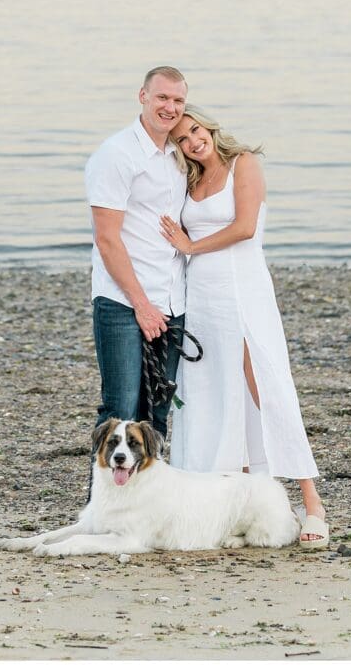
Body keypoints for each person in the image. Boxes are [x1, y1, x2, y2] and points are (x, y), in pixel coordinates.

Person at [159, 105, 329, 550]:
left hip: (243, 294)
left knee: (265, 387)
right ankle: (238, 503)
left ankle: (313, 503)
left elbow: (245, 227)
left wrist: (191, 245)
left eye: (194, 130)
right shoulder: (189, 182)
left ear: (208, 127)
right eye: (182, 140)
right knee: (214, 391)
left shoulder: (244, 164)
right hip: (203, 301)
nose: (193, 141)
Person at [84, 66, 188, 440]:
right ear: (142, 96)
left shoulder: (179, 154)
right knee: (121, 410)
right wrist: (141, 304)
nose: (170, 107)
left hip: (172, 302)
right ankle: (102, 499)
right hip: (123, 303)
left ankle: (148, 499)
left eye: (178, 100)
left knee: (156, 412)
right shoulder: (116, 154)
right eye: (162, 97)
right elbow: (107, 239)